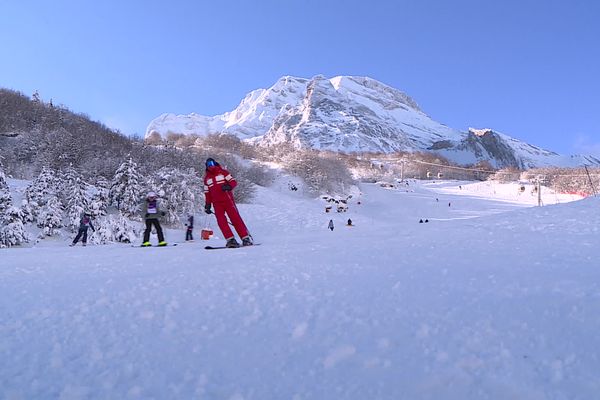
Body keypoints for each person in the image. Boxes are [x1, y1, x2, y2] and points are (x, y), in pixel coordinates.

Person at [203, 158, 252, 248]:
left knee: (235, 219)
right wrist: (208, 204)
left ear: (215, 163)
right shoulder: (207, 179)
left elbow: (233, 182)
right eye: (208, 164)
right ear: (206, 166)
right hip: (216, 203)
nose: (211, 165)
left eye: (212, 163)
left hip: (228, 200)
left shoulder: (223, 172)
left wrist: (228, 186)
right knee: (221, 221)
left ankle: (245, 238)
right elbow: (207, 193)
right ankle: (230, 239)